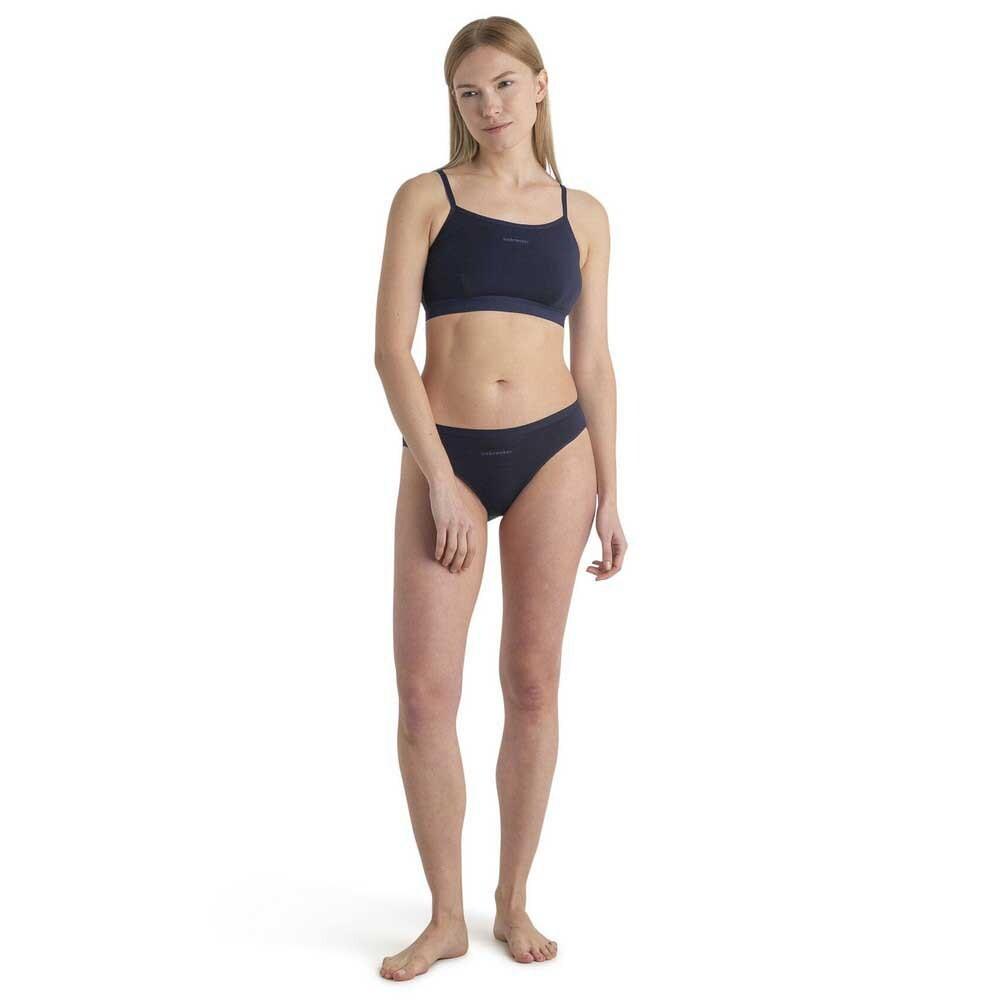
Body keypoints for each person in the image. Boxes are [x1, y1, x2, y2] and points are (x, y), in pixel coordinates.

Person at [373, 16, 627, 981]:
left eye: (505, 85)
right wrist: (438, 476)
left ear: (541, 85)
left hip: (557, 452)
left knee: (532, 682)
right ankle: (445, 917)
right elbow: (390, 351)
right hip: (447, 454)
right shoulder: (425, 198)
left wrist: (612, 491)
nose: (489, 106)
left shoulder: (584, 214)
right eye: (469, 92)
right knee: (425, 695)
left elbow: (593, 362)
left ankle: (512, 899)